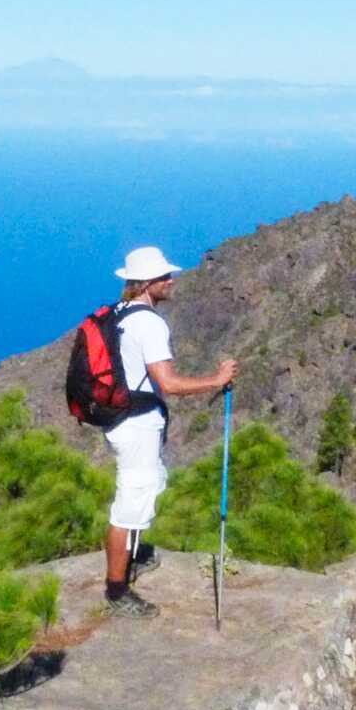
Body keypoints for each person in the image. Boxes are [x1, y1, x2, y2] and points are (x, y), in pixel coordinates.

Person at [101, 245, 239, 619]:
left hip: (120, 418)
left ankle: (132, 553)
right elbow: (168, 383)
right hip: (136, 425)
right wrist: (216, 380)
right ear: (148, 283)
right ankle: (116, 590)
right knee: (131, 503)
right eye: (164, 277)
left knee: (149, 485)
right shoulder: (149, 323)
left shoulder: (118, 314)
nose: (171, 281)